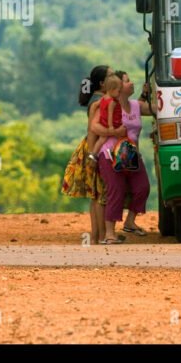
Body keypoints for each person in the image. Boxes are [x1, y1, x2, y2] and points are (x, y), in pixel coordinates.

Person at [61, 65, 125, 245]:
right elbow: (92, 131)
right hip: (95, 148)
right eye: (111, 75)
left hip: (93, 149)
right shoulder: (99, 103)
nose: (116, 77)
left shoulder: (99, 100)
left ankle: (98, 236)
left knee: (96, 194)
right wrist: (92, 155)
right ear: (102, 83)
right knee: (100, 194)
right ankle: (104, 235)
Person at [97, 71, 153, 244]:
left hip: (131, 154)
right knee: (116, 190)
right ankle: (109, 234)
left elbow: (156, 109)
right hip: (110, 154)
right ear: (119, 87)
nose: (131, 84)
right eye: (127, 81)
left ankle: (130, 221)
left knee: (142, 187)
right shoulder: (108, 105)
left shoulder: (136, 105)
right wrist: (114, 132)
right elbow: (95, 127)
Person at [88, 75, 123, 162]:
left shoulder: (103, 98)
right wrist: (111, 127)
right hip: (110, 123)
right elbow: (110, 115)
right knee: (119, 137)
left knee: (101, 139)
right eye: (119, 91)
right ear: (112, 90)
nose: (120, 93)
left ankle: (93, 154)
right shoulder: (112, 102)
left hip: (103, 122)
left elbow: (96, 105)